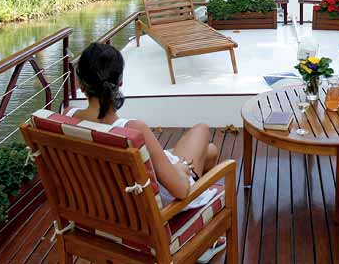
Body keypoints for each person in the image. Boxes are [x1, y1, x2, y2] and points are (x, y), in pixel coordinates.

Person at [71, 42, 225, 262]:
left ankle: (205, 238)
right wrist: (179, 170)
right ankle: (203, 240)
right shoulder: (133, 130)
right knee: (202, 131)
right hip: (152, 212)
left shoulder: (68, 120)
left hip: (107, 207)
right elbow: (181, 190)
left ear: (81, 85)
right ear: (120, 82)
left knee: (209, 151)